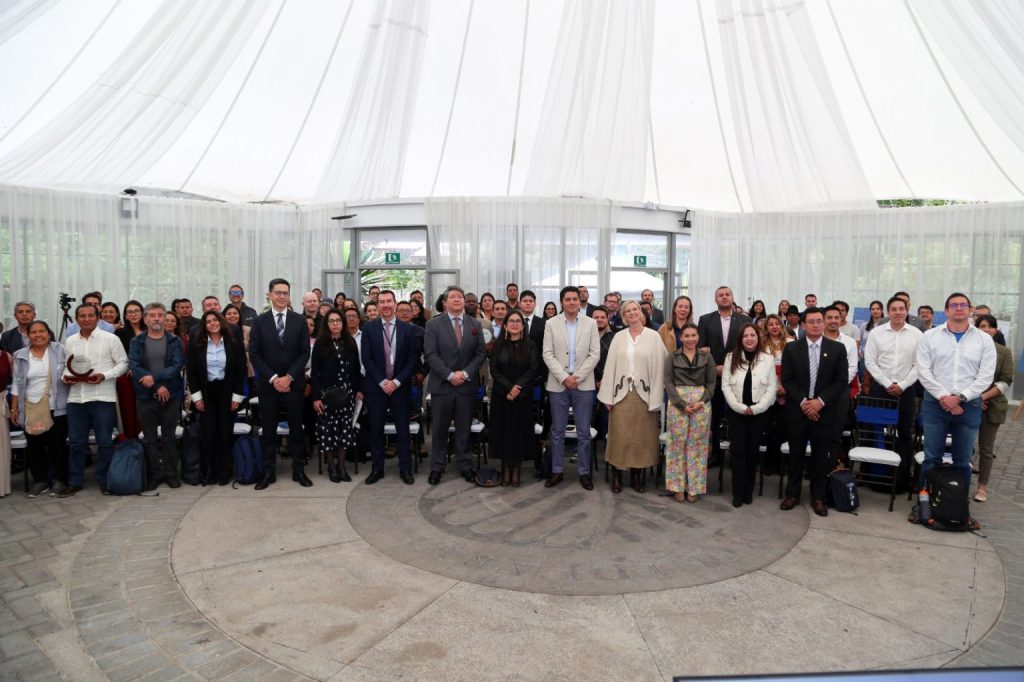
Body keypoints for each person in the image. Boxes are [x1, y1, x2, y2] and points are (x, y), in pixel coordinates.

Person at [916, 293, 996, 491]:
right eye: (954, 305)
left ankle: (959, 506)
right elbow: (923, 372)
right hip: (935, 405)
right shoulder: (929, 337)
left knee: (962, 460)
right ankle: (925, 503)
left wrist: (959, 398)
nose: (959, 308)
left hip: (969, 406)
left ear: (970, 310)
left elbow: (985, 376)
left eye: (963, 305)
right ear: (945, 311)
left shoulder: (984, 340)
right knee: (931, 458)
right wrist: (945, 398)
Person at [779, 307, 850, 516]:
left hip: (824, 412)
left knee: (821, 457)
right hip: (798, 411)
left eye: (819, 321)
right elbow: (787, 380)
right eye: (811, 321)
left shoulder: (837, 349)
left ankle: (818, 497)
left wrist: (819, 402)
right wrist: (804, 403)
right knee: (796, 455)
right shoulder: (792, 348)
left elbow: (841, 381)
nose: (816, 325)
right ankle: (792, 494)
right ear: (803, 324)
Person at [248, 278, 313, 489]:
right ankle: (268, 472)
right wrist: (275, 378)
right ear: (269, 295)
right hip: (269, 385)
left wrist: (289, 377)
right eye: (278, 292)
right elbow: (254, 354)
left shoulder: (299, 320)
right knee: (268, 430)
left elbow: (304, 353)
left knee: (296, 428)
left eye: (285, 293)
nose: (282, 296)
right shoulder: (259, 322)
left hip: (294, 384)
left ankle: (298, 470)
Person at [60, 303, 128, 496]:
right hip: (76, 398)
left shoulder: (111, 339)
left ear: (98, 318)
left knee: (104, 442)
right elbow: (66, 366)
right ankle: (75, 481)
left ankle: (105, 479)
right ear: (77, 319)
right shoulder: (70, 341)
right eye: (82, 316)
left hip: (102, 397)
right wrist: (65, 377)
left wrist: (104, 375)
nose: (87, 319)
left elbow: (123, 363)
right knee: (76, 443)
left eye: (91, 315)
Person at [598, 300, 666, 493]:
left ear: (641, 313)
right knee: (620, 436)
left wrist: (656, 396)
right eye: (628, 311)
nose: (632, 312)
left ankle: (637, 475)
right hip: (621, 394)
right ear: (624, 316)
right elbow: (610, 366)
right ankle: (617, 475)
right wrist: (608, 397)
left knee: (641, 438)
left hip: (644, 396)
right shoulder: (618, 337)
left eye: (635, 309)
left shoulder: (653, 337)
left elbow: (662, 365)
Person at [425, 286, 487, 485]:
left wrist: (466, 373)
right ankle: (437, 467)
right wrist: (450, 375)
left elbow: (480, 353)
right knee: (439, 430)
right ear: (445, 303)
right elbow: (431, 354)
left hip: (466, 387)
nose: (457, 299)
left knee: (463, 429)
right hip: (442, 386)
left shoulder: (475, 324)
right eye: (452, 297)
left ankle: (465, 465)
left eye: (460, 296)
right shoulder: (433, 325)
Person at [542, 286, 601, 490]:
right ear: (561, 302)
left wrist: (577, 377)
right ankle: (557, 471)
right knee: (557, 431)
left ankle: (584, 473)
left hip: (583, 384)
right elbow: (547, 354)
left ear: (579, 301)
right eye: (567, 299)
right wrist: (564, 377)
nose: (572, 302)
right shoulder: (551, 323)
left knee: (583, 432)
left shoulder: (590, 323)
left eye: (575, 299)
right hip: (558, 384)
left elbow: (595, 354)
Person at [361, 290, 420, 484]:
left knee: (403, 429)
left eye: (389, 301)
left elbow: (412, 360)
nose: (385, 305)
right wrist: (382, 382)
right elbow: (366, 359)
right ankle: (377, 469)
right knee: (376, 429)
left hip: (400, 387)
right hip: (376, 387)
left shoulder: (408, 329)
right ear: (377, 305)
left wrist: (396, 382)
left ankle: (405, 469)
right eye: (382, 301)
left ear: (395, 304)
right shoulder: (368, 329)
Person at [863, 295, 923, 485]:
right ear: (888, 312)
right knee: (873, 429)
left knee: (905, 433)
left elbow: (920, 364)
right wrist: (886, 382)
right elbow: (870, 361)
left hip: (906, 389)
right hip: (880, 388)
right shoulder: (876, 333)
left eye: (901, 309)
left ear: (907, 311)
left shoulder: (917, 334)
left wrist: (903, 385)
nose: (898, 312)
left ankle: (902, 477)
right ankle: (869, 475)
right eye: (894, 309)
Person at [129, 303, 186, 489]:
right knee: (150, 438)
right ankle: (154, 475)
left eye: (160, 315)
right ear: (145, 319)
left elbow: (176, 366)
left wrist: (155, 380)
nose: (156, 318)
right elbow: (135, 366)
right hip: (145, 398)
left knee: (169, 437)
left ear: (164, 318)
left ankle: (170, 474)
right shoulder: (136, 342)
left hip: (171, 395)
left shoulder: (175, 341)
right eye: (152, 315)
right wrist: (157, 386)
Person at [10, 321, 70, 497]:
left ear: (48, 334)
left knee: (57, 445)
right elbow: (16, 383)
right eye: (33, 332)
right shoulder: (20, 355)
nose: (38, 335)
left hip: (57, 407)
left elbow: (70, 371)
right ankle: (40, 481)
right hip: (31, 408)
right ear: (28, 336)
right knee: (35, 446)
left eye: (41, 331)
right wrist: (14, 409)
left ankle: (59, 480)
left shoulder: (60, 350)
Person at [186, 309, 245, 485]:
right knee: (208, 433)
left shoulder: (233, 342)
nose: (212, 323)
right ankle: (210, 472)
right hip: (206, 392)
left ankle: (225, 472)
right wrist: (197, 398)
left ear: (221, 321)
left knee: (225, 433)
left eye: (215, 320)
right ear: (204, 326)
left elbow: (240, 370)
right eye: (208, 321)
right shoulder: (197, 344)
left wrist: (237, 397)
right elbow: (192, 372)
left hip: (227, 391)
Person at [722, 324, 777, 507]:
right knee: (738, 453)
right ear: (741, 339)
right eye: (745, 335)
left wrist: (758, 408)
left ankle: (748, 491)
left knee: (752, 453)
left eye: (752, 335)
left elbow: (772, 387)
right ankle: (737, 493)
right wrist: (738, 407)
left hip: (758, 413)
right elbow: (726, 386)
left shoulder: (767, 359)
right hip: (736, 413)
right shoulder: (731, 358)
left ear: (758, 337)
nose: (749, 338)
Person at [697, 286, 752, 468]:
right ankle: (716, 454)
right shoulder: (705, 320)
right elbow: (701, 349)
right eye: (721, 295)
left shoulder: (745, 320)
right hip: (713, 377)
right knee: (715, 416)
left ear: (732, 297)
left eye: (727, 294)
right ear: (716, 300)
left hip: (738, 376)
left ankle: (736, 454)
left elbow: (748, 348)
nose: (724, 297)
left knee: (736, 417)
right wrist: (714, 368)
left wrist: (728, 368)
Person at [663, 323, 715, 503]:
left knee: (698, 445)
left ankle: (694, 487)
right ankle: (677, 486)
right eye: (686, 335)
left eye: (693, 335)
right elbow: (668, 382)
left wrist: (701, 402)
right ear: (681, 337)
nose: (690, 339)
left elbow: (711, 383)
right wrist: (681, 404)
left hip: (701, 403)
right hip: (678, 402)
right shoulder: (672, 357)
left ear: (698, 337)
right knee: (677, 444)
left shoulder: (707, 357)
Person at [311, 309, 362, 484]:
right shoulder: (320, 344)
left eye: (338, 320)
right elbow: (315, 373)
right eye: (331, 321)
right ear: (326, 324)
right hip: (327, 396)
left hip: (347, 395)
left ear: (343, 323)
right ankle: (331, 467)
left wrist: (358, 389)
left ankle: (342, 466)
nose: (335, 324)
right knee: (328, 432)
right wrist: (316, 398)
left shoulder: (350, 342)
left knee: (344, 432)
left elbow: (356, 369)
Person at [488, 310, 538, 487]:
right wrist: (509, 388)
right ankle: (505, 468)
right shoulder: (498, 345)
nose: (515, 324)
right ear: (505, 325)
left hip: (522, 396)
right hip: (502, 396)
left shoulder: (531, 345)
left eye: (518, 321)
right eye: (511, 321)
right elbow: (494, 370)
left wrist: (516, 388)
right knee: (503, 432)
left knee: (518, 433)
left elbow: (533, 369)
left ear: (523, 326)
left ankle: (516, 470)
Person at [973, 315, 1012, 503]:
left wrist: (982, 397)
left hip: (991, 406)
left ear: (995, 330)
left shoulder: (1004, 352)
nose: (986, 330)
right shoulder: (969, 349)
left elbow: (1005, 381)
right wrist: (973, 398)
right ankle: (958, 483)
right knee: (963, 446)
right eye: (982, 326)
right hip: (967, 403)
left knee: (986, 448)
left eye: (990, 326)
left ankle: (982, 487)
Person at [762, 314, 793, 476]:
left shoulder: (791, 342)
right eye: (770, 324)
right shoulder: (761, 344)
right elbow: (760, 369)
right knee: (769, 429)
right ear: (766, 328)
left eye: (777, 324)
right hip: (767, 389)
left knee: (784, 429)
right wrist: (774, 386)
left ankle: (783, 464)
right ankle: (769, 463)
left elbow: (796, 368)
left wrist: (784, 386)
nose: (774, 327)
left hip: (788, 390)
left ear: (782, 326)